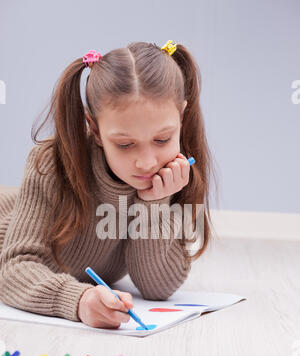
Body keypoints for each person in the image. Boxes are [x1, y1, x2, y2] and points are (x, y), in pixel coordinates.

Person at [0, 40, 217, 329]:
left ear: (181, 116)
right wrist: (78, 300)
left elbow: (157, 289)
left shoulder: (174, 172)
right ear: (95, 129)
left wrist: (154, 203)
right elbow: (15, 268)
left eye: (162, 140)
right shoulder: (50, 163)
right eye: (125, 144)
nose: (147, 162)